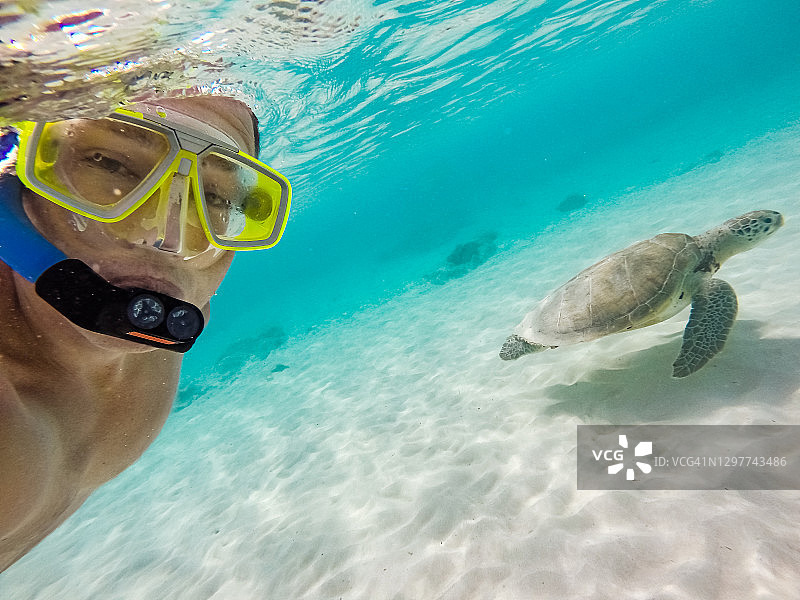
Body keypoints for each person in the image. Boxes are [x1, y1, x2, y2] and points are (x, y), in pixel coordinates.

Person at [0, 95, 291, 571]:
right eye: (111, 163)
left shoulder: (174, 303)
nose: (167, 237)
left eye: (214, 197)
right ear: (15, 181)